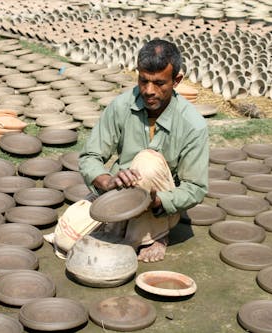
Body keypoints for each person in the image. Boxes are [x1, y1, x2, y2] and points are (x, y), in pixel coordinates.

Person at [50, 39, 209, 263]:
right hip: (118, 197)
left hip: (158, 207)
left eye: (159, 83)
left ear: (177, 81)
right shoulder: (121, 106)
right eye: (143, 81)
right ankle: (125, 233)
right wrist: (106, 181)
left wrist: (157, 201)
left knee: (147, 162)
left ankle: (157, 235)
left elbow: (195, 188)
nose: (149, 91)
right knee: (66, 241)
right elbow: (90, 157)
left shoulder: (193, 125)